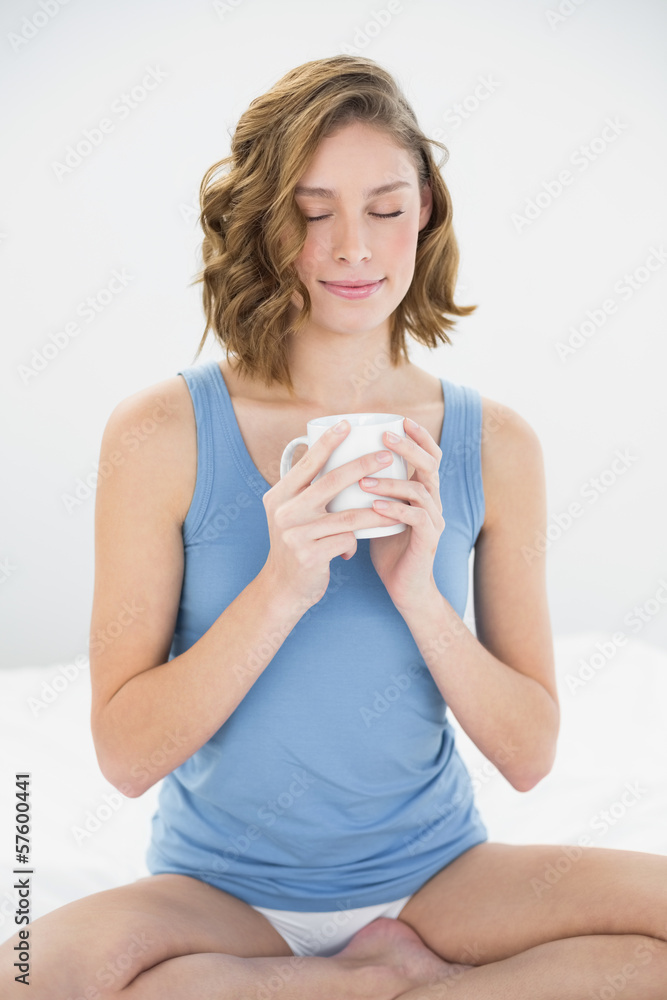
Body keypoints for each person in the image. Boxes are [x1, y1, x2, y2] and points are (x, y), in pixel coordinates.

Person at [3, 54, 666, 1000]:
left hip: (437, 879)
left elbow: (528, 756)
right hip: (220, 893)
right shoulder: (160, 431)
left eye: (385, 208)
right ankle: (370, 982)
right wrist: (281, 586)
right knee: (26, 975)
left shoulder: (496, 443)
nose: (354, 248)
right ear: (265, 223)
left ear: (424, 210)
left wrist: (418, 594)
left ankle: (368, 976)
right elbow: (124, 756)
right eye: (313, 213)